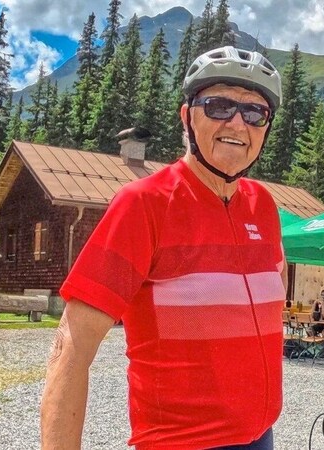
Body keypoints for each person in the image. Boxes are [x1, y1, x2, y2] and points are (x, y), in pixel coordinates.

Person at [40, 46, 285, 450]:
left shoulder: (264, 207)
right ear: (187, 116)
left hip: (261, 437)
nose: (238, 124)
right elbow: (71, 347)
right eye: (219, 106)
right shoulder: (144, 204)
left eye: (255, 113)